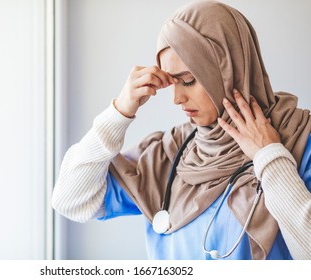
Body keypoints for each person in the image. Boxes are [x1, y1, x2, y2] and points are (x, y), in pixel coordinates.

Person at [52, 1, 311, 260]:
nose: (176, 98)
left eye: (188, 80)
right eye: (172, 82)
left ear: (228, 70)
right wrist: (119, 113)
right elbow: (71, 200)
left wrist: (270, 156)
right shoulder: (170, 152)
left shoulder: (300, 141)